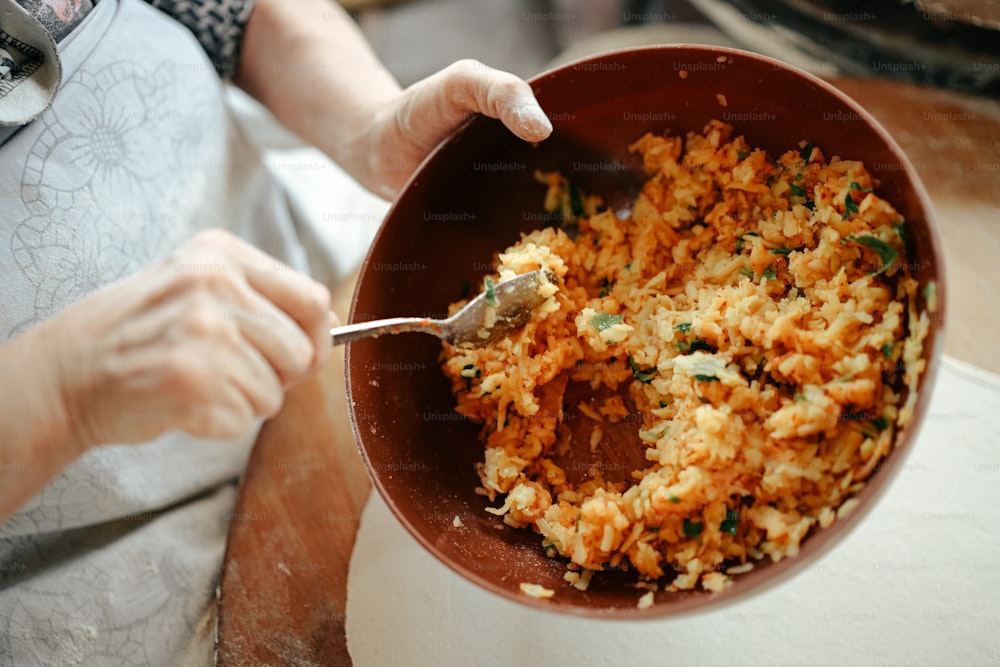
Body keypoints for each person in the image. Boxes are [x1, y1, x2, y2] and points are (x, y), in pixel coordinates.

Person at [0, 0, 552, 663]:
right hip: (126, 589)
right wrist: (63, 389)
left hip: (311, 293)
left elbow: (235, 14)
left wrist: (370, 127)